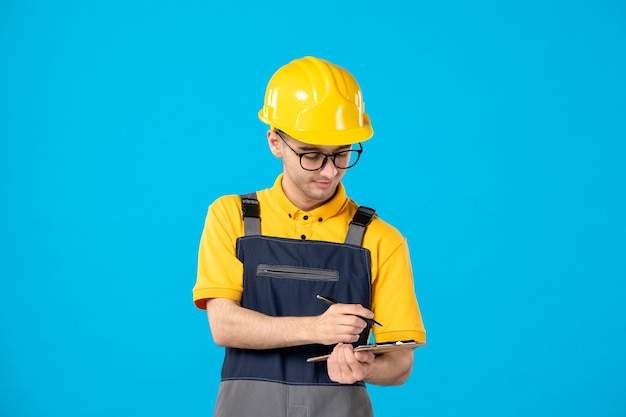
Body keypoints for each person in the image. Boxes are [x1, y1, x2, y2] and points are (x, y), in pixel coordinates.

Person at [193, 56, 426, 417]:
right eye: (312, 155)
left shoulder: (381, 239)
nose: (330, 171)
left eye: (342, 153)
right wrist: (318, 327)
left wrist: (365, 367)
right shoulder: (232, 217)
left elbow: (400, 362)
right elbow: (224, 325)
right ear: (275, 142)